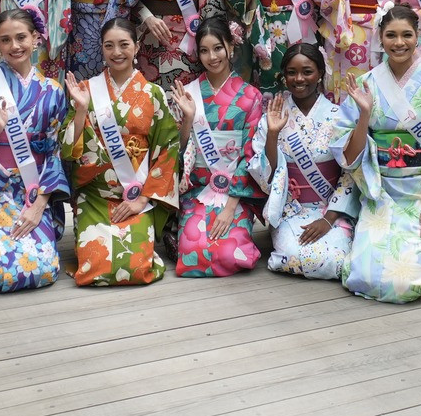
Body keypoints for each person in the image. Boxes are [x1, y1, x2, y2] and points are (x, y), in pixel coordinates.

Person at [0, 7, 86, 291]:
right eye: (5, 40)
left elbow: (54, 152)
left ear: (36, 38)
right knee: (3, 275)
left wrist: (39, 205)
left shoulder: (52, 90)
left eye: (21, 37)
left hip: (33, 190)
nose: (15, 46)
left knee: (44, 270)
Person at [344, 5, 421, 304]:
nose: (398, 43)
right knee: (361, 275)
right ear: (380, 38)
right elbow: (348, 151)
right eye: (391, 35)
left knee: (405, 283)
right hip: (382, 191)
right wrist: (364, 115)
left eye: (406, 35)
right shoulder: (368, 83)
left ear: (418, 37)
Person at [67, 18, 180, 285]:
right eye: (109, 46)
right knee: (97, 266)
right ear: (102, 49)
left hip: (138, 194)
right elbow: (69, 146)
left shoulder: (153, 93)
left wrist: (142, 200)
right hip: (96, 195)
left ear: (137, 47)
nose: (117, 52)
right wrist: (81, 109)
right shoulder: (86, 90)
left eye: (124, 45)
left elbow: (168, 148)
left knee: (136, 269)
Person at [250, 42, 363, 281]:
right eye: (292, 72)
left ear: (320, 73)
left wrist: (328, 219)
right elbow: (266, 175)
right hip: (290, 209)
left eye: (307, 71)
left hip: (331, 209)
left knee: (338, 260)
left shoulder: (338, 116)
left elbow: (350, 172)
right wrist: (272, 133)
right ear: (284, 76)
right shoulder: (274, 115)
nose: (299, 79)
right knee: (291, 255)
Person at [170, 15, 267, 277]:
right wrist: (189, 119)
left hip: (236, 194)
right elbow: (177, 154)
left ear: (231, 47)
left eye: (217, 48)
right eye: (204, 50)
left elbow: (251, 156)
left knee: (229, 253)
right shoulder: (189, 94)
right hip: (198, 190)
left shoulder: (251, 97)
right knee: (193, 251)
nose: (212, 57)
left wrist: (230, 207)